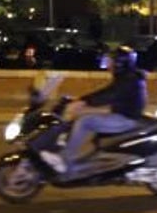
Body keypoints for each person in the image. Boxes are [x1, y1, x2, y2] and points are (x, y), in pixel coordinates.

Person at [40, 45, 147, 176]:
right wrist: (80, 100)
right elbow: (105, 92)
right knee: (79, 114)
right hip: (120, 114)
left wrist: (84, 102)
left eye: (111, 61)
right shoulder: (127, 77)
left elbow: (110, 95)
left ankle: (64, 160)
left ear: (120, 63)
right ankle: (64, 150)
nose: (108, 64)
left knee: (85, 121)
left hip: (125, 120)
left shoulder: (130, 80)